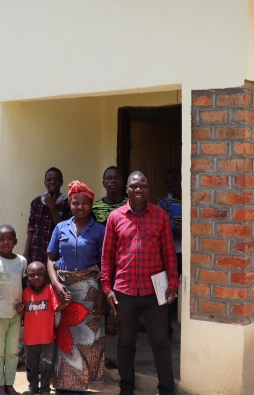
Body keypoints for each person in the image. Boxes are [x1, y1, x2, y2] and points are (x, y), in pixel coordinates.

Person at [102, 171, 179, 395]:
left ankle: (166, 389)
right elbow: (107, 257)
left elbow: (169, 254)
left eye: (143, 186)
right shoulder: (115, 217)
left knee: (160, 341)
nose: (139, 190)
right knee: (126, 341)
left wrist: (172, 285)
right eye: (134, 186)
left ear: (148, 189)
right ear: (127, 189)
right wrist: (107, 288)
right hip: (124, 291)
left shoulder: (160, 216)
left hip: (155, 291)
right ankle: (126, 387)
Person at [47, 180, 106, 394]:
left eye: (85, 203)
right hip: (64, 291)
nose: (80, 207)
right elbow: (50, 258)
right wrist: (55, 283)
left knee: (87, 336)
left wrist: (102, 295)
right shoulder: (60, 228)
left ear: (91, 205)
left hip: (90, 290)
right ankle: (64, 381)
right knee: (65, 335)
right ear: (70, 205)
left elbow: (105, 264)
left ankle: (83, 380)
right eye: (75, 203)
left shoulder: (99, 230)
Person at [0, 225, 28, 395]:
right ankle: (0, 385)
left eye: (9, 239)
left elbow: (24, 287)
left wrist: (23, 309)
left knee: (12, 351)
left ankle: (9, 383)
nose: (5, 242)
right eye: (1, 239)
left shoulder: (22, 262)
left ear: (15, 242)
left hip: (15, 315)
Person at [17, 261, 71, 395]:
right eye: (32, 275)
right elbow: (24, 312)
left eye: (40, 274)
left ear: (46, 276)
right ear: (27, 278)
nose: (36, 277)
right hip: (30, 339)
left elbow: (56, 307)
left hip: (47, 338)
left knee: (47, 364)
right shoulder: (26, 292)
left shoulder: (50, 290)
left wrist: (67, 302)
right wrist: (20, 310)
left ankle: (45, 387)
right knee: (31, 365)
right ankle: (33, 387)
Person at [24, 167, 72, 264]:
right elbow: (31, 229)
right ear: (45, 183)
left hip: (57, 254)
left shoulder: (68, 203)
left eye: (56, 179)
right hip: (36, 252)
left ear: (62, 182)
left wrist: (52, 206)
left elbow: (64, 229)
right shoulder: (36, 202)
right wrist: (26, 253)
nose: (52, 182)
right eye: (49, 180)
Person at [157, 169, 183, 341]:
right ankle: (165, 331)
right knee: (167, 290)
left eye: (174, 179)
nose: (172, 183)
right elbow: (157, 225)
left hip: (188, 253)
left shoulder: (193, 199)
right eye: (168, 181)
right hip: (169, 252)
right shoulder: (163, 204)